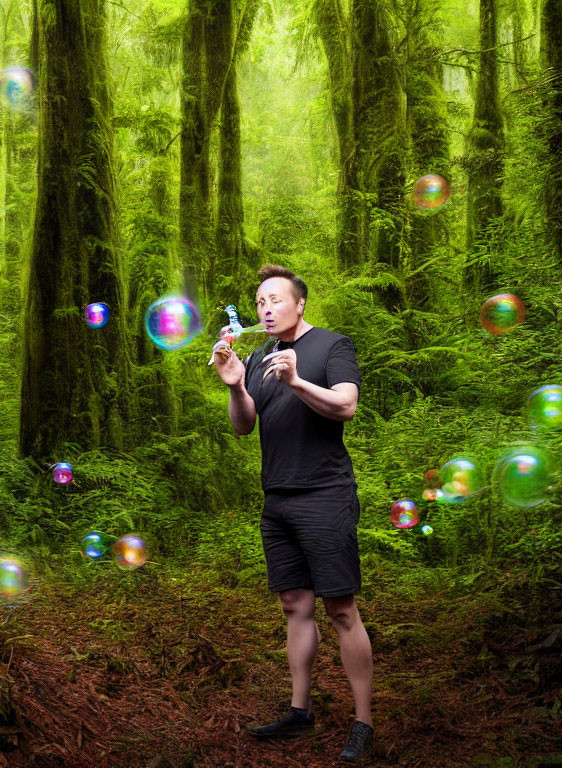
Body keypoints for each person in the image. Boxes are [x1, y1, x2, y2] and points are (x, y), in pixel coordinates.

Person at [212, 264, 375, 763]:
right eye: (259, 302)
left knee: (341, 608)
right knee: (294, 606)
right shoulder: (260, 354)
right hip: (277, 498)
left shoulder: (332, 346)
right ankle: (299, 711)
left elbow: (345, 406)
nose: (265, 308)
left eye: (275, 300)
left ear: (300, 304)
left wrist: (299, 380)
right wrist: (237, 386)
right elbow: (244, 428)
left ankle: (363, 722)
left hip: (325, 493)